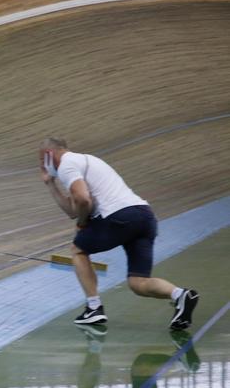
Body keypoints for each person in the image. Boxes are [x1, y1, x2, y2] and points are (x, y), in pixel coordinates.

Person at [39, 137, 198, 330]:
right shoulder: (84, 160)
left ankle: (94, 308)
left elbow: (82, 200)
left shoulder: (67, 164)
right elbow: (73, 210)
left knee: (78, 250)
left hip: (120, 217)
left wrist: (82, 225)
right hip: (145, 217)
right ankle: (180, 295)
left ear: (49, 155)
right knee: (138, 282)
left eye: (41, 161)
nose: (42, 166)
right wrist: (50, 184)